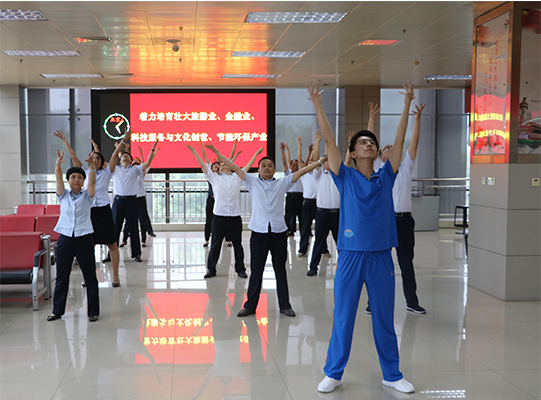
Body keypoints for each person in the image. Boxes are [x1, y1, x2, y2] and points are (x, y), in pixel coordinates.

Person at [308, 81, 416, 394]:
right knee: (343, 317)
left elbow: (399, 139)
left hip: (381, 257)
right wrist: (318, 104)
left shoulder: (386, 177)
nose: (369, 145)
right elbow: (330, 140)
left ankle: (392, 374)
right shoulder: (344, 177)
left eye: (372, 142)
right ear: (353, 153)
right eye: (362, 143)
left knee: (384, 318)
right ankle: (333, 372)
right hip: (351, 257)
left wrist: (407, 103)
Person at [205, 143, 327, 318]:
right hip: (259, 233)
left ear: (274, 169)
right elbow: (234, 167)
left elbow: (301, 172)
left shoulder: (282, 183)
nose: (267, 168)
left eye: (270, 165)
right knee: (256, 270)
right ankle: (250, 306)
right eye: (263, 166)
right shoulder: (251, 182)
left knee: (280, 270)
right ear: (259, 170)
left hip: (278, 233)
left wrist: (319, 162)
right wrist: (217, 153)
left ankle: (285, 305)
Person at [365, 103, 427, 315]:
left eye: (394, 148)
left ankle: (412, 301)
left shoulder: (406, 167)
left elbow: (413, 144)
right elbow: (369, 143)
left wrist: (417, 119)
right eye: (386, 149)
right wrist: (372, 118)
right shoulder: (378, 169)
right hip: (384, 220)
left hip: (404, 221)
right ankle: (372, 302)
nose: (391, 150)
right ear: (381, 156)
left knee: (406, 262)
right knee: (380, 262)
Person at [54, 130, 121, 287]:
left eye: (98, 159)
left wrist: (120, 143)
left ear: (101, 161)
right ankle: (88, 276)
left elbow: (113, 156)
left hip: (104, 211)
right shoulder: (83, 172)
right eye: (93, 159)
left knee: (112, 244)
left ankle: (115, 276)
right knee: (89, 246)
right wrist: (65, 140)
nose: (95, 161)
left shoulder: (106, 172)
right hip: (89, 212)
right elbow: (73, 156)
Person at [187, 141, 263, 279]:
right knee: (215, 244)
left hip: (234, 217)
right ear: (219, 169)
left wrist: (257, 153)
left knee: (237, 244)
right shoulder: (214, 177)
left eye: (227, 164)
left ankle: (240, 269)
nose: (224, 165)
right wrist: (194, 151)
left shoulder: (237, 176)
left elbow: (248, 166)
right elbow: (203, 164)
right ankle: (211, 269)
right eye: (222, 164)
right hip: (219, 217)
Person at [47, 149, 100, 322]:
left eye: (79, 177)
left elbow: (93, 182)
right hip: (65, 238)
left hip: (84, 238)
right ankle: (57, 311)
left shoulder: (88, 196)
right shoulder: (63, 196)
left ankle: (93, 311)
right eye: (73, 177)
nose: (76, 179)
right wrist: (57, 164)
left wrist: (91, 167)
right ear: (68, 180)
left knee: (90, 276)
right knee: (62, 275)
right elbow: (58, 179)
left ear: (83, 181)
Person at [110, 131, 158, 262]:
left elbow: (147, 163)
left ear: (131, 161)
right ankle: (111, 254)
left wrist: (152, 149)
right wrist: (121, 144)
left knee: (133, 227)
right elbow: (115, 155)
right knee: (115, 228)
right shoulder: (116, 169)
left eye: (127, 156)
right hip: (118, 201)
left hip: (132, 201)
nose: (124, 156)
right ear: (120, 159)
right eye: (123, 156)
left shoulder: (135, 169)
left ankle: (137, 253)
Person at [306, 131, 340, 276]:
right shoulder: (319, 175)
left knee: (341, 242)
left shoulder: (339, 176)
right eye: (326, 161)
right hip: (322, 213)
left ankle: (346, 266)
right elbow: (315, 161)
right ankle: (313, 267)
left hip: (337, 214)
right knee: (319, 241)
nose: (328, 162)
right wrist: (318, 143)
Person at [296, 136, 318, 257]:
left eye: (312, 162)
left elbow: (317, 160)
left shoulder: (318, 174)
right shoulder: (304, 174)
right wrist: (300, 145)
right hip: (307, 203)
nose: (310, 164)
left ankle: (323, 249)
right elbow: (299, 160)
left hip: (319, 203)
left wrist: (316, 147)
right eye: (309, 162)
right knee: (305, 228)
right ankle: (302, 249)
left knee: (321, 228)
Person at [280, 142, 303, 236]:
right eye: (293, 165)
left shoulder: (301, 173)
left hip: (300, 196)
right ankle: (288, 230)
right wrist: (283, 151)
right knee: (289, 214)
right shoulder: (288, 173)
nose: (295, 167)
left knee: (301, 215)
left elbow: (302, 161)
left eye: (297, 165)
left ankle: (304, 231)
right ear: (290, 166)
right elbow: (284, 162)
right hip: (290, 196)